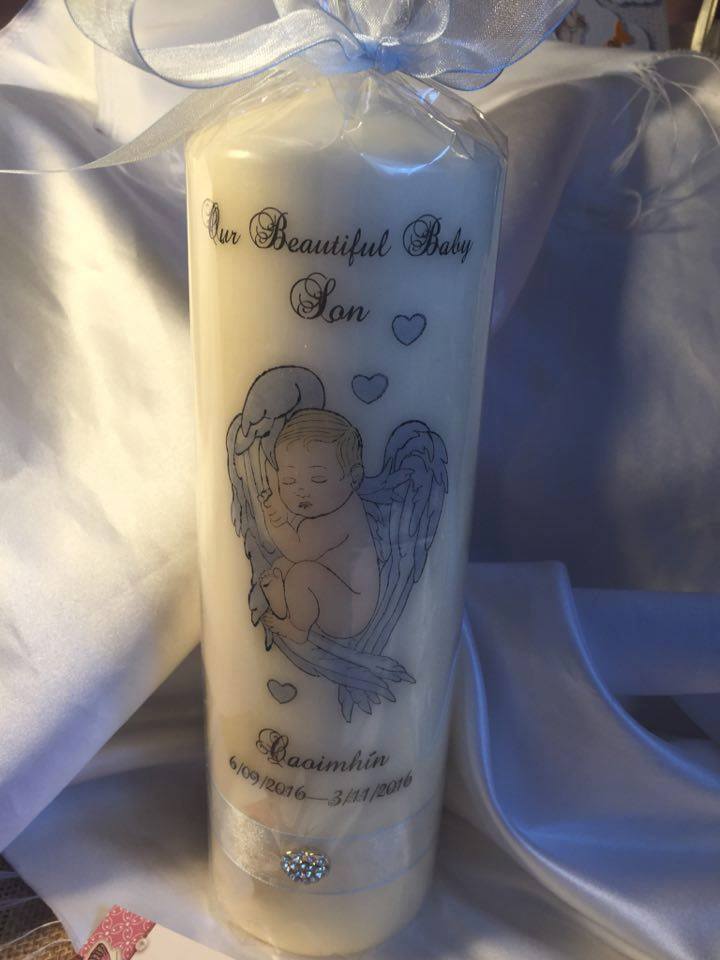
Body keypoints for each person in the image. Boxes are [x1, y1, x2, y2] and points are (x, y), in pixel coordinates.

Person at [259, 408, 380, 643]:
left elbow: (297, 549)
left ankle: (298, 629)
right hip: (332, 590)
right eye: (289, 481)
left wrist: (272, 518)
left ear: (353, 478)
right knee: (283, 567)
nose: (301, 490)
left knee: (302, 574)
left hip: (350, 607)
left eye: (318, 479)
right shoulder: (329, 506)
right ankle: (285, 607)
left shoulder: (342, 516)